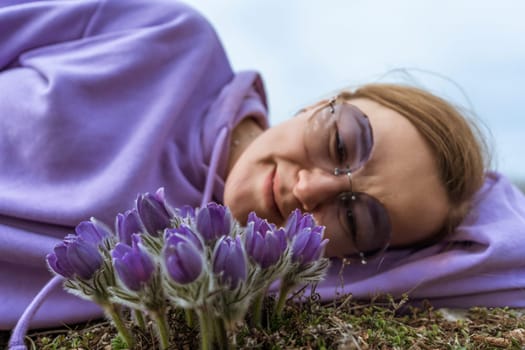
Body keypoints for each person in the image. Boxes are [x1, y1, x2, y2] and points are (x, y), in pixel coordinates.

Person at [2, 0, 525, 336]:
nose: (310, 188)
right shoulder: (165, 36)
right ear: (323, 101)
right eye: (341, 144)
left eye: (358, 219)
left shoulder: (225, 277)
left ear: (356, 259)